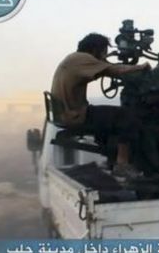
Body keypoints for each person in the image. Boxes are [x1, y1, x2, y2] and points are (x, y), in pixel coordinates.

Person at [51, 33, 149, 180]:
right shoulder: (82, 59)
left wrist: (107, 63)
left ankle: (112, 160)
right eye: (104, 51)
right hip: (75, 115)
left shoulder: (73, 59)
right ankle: (122, 165)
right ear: (95, 49)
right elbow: (113, 70)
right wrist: (141, 67)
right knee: (127, 116)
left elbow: (107, 68)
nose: (105, 55)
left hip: (68, 113)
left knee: (107, 117)